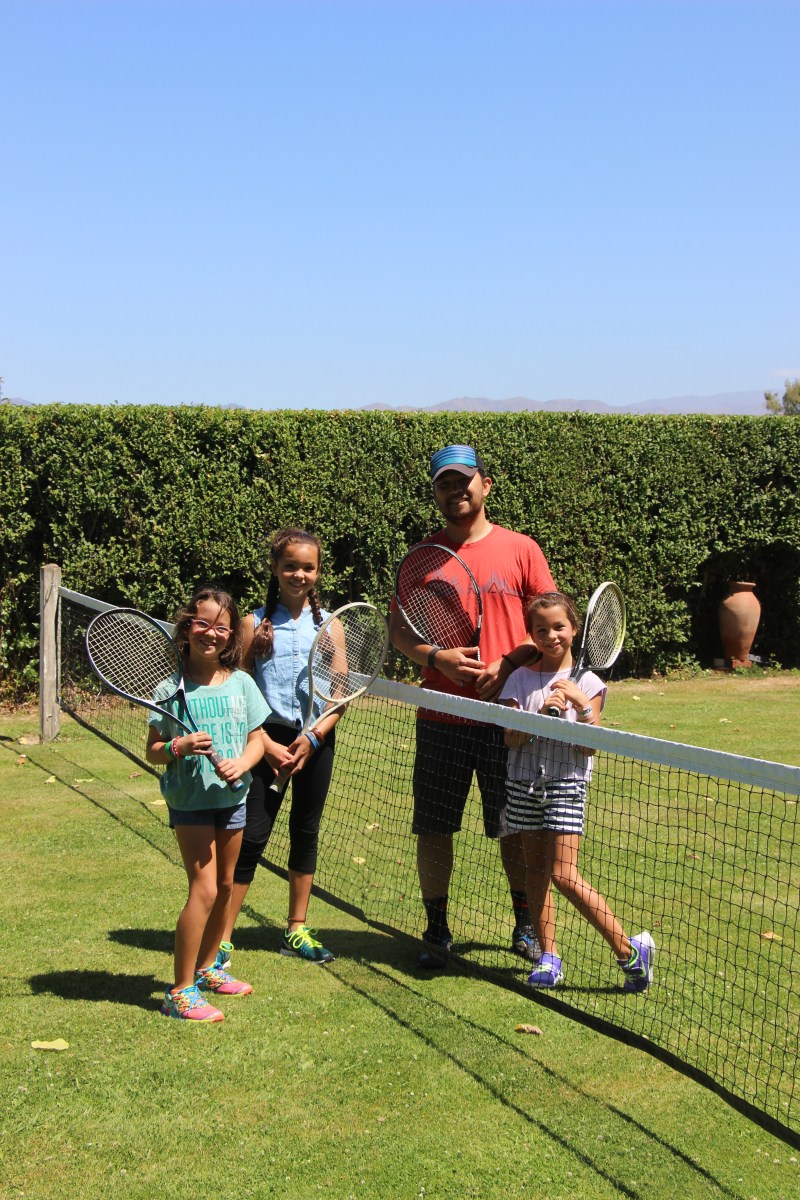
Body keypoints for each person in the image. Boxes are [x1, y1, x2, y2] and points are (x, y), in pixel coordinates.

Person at [389, 444, 557, 968]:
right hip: (440, 716)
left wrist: (506, 666)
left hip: (507, 718)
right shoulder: (421, 557)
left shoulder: (522, 549)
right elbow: (399, 631)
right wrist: (436, 656)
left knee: (515, 828)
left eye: (463, 481)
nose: (455, 491)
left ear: (485, 484)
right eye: (444, 483)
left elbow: (549, 627)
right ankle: (436, 930)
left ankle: (525, 926)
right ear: (435, 492)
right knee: (434, 827)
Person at [499, 591, 655, 991]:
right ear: (531, 634)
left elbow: (589, 746)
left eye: (559, 627)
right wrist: (538, 716)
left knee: (563, 874)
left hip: (566, 784)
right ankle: (548, 957)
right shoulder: (518, 680)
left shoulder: (588, 682)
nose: (551, 636)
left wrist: (581, 704)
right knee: (536, 872)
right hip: (523, 783)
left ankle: (629, 952)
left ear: (574, 629)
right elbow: (511, 739)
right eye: (541, 629)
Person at [146, 587, 269, 1022]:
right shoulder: (170, 688)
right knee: (203, 888)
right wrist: (177, 746)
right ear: (187, 627)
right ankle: (180, 992)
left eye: (221, 627)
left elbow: (257, 739)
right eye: (202, 623)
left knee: (225, 885)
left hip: (232, 799)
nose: (210, 633)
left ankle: (207, 967)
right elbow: (154, 751)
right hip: (191, 801)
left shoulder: (242, 683)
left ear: (232, 635)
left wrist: (243, 763)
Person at [221, 528, 341, 967]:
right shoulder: (252, 623)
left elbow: (341, 693)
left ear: (318, 572)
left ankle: (296, 928)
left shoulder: (331, 625)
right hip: (264, 742)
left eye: (308, 567)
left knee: (305, 832)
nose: (299, 575)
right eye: (290, 566)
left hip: (316, 742)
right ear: (275, 568)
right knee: (251, 835)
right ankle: (221, 938)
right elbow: (237, 688)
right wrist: (266, 744)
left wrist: (313, 737)